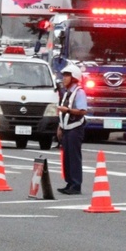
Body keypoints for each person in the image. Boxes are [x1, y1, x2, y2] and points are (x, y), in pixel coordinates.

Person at [56, 64, 88, 195]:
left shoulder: (79, 92)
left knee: (74, 157)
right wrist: (60, 127)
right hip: (66, 128)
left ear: (74, 77)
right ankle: (69, 183)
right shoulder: (66, 93)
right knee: (67, 157)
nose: (64, 78)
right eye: (63, 75)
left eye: (67, 76)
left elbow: (82, 110)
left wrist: (68, 110)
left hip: (75, 128)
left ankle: (76, 185)